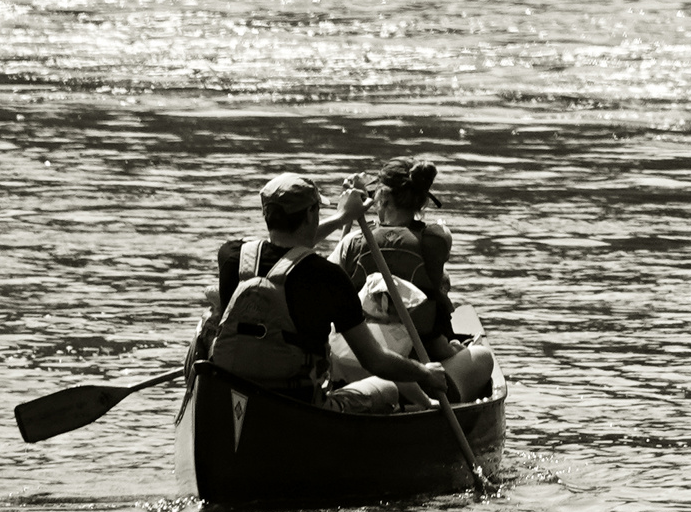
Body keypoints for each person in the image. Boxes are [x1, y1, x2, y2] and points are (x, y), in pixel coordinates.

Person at [201, 172, 447, 414]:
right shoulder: (328, 277)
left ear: (267, 214)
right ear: (311, 214)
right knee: (388, 388)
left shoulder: (232, 257)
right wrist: (425, 373)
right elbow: (375, 361)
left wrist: (342, 218)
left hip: (232, 393)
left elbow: (281, 249)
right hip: (302, 405)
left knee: (206, 326)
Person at [331, 157, 494, 401]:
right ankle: (442, 403)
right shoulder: (436, 240)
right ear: (421, 200)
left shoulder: (352, 242)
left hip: (355, 367)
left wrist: (347, 216)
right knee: (482, 356)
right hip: (420, 373)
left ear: (382, 199)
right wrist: (451, 349)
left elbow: (332, 277)